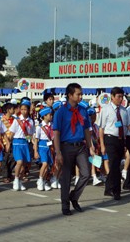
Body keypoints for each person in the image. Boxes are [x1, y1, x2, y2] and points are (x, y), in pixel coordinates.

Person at [53, 83, 95, 216]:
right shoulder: (60, 112)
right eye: (78, 94)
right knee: (66, 178)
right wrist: (58, 152)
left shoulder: (83, 110)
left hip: (81, 146)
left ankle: (74, 197)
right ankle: (65, 205)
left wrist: (91, 146)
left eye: (81, 94)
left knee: (86, 173)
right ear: (70, 95)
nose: (80, 96)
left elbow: (87, 130)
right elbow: (56, 133)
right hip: (66, 147)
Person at [98, 87, 130, 201]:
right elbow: (101, 128)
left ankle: (108, 188)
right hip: (110, 139)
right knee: (114, 166)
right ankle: (116, 191)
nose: (120, 99)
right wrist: (102, 145)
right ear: (112, 97)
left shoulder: (124, 110)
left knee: (115, 165)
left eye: (122, 97)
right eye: (118, 96)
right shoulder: (106, 109)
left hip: (120, 140)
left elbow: (129, 125)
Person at [8, 99, 35, 191]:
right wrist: (7, 143)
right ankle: (15, 179)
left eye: (25, 109)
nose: (23, 111)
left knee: (24, 164)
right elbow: (11, 133)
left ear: (28, 110)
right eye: (22, 109)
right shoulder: (17, 120)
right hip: (16, 142)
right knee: (19, 162)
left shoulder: (31, 121)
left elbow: (30, 135)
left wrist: (32, 142)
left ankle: (20, 180)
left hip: (25, 143)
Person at [33, 107, 54, 191]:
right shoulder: (39, 127)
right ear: (44, 116)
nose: (51, 116)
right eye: (49, 115)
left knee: (48, 165)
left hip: (49, 146)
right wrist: (35, 151)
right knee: (44, 164)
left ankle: (44, 181)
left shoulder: (51, 125)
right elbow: (36, 140)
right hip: (42, 146)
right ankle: (40, 180)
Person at [0, 102, 15, 183]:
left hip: (13, 141)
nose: (14, 110)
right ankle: (5, 176)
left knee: (13, 158)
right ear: (8, 110)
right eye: (12, 109)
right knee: (5, 160)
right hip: (5, 142)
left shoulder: (14, 119)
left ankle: (9, 173)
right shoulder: (1, 120)